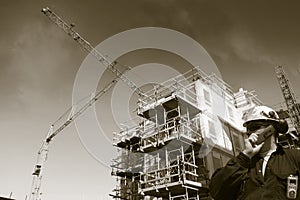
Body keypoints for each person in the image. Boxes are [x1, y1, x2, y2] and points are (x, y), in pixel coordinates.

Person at [209, 105, 300, 200]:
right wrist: (245, 156)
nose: (248, 132)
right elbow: (216, 191)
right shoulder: (241, 165)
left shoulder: (294, 158)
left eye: (253, 127)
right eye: (247, 128)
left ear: (270, 130)